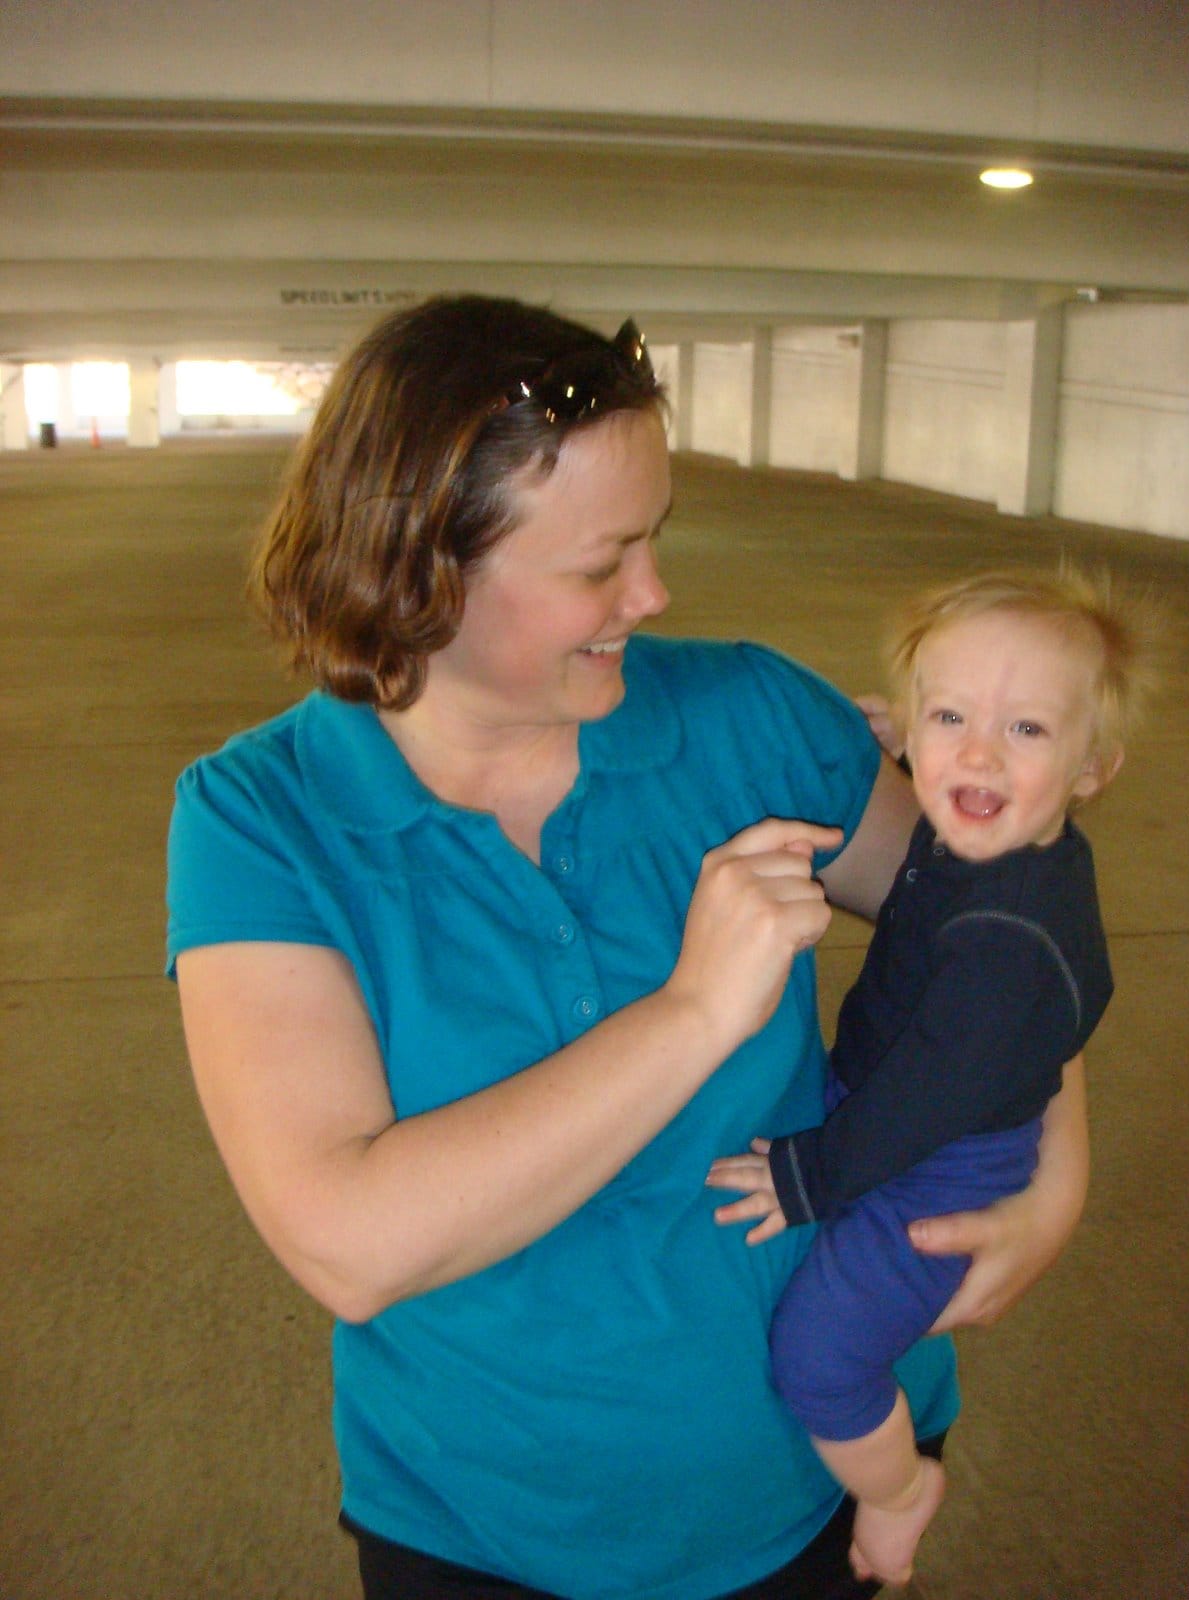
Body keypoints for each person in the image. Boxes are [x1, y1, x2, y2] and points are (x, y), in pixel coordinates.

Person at [167, 295, 1090, 1600]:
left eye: (654, 541)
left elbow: (1000, 924)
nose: (653, 594)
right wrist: (695, 1011)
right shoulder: (260, 821)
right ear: (419, 566)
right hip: (488, 1529)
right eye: (602, 565)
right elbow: (346, 1238)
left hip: (827, 1471)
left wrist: (1055, 1167)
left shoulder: (750, 716)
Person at [708, 568, 1151, 1587]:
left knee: (820, 1353)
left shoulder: (1009, 938)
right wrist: (907, 746)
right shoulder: (992, 838)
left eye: (1029, 730)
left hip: (942, 1171)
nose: (980, 751)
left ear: (1094, 766)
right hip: (901, 1102)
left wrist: (814, 1176)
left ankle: (898, 1488)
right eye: (950, 714)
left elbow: (926, 1103)